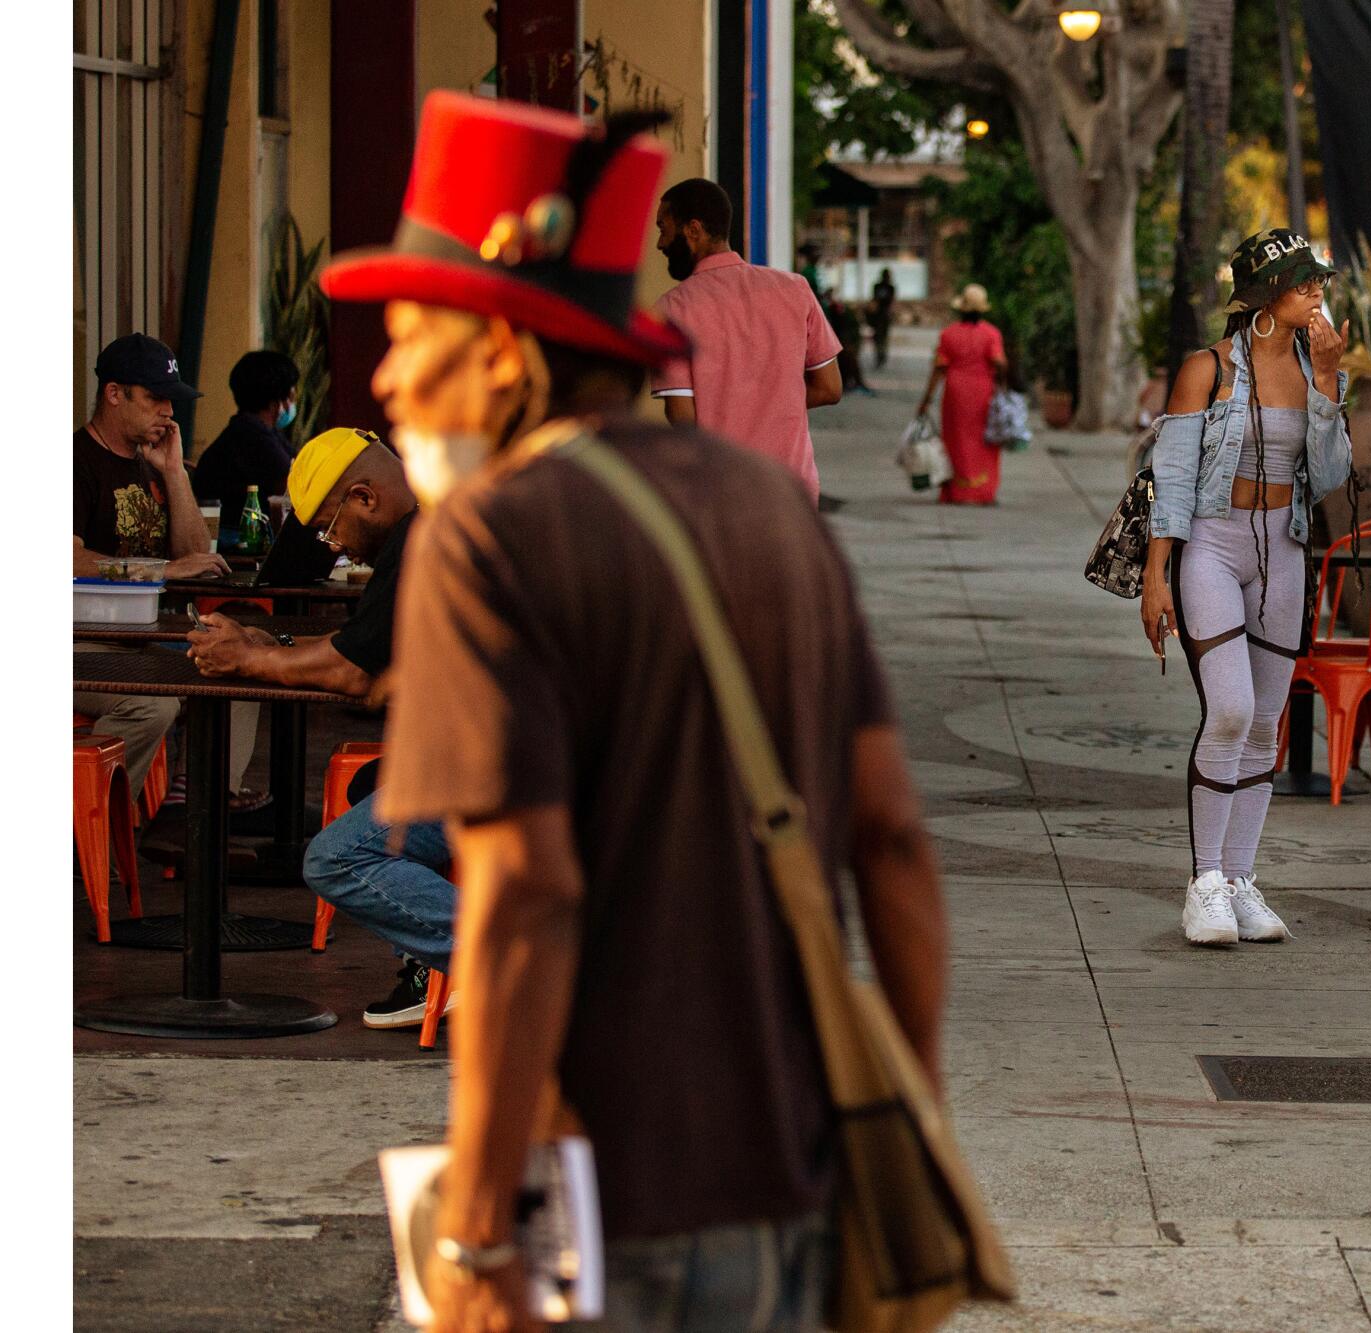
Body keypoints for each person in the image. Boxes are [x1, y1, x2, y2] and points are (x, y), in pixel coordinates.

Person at [319, 92, 949, 1329]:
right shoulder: (772, 512)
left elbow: (527, 902)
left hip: (606, 1202)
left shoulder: (489, 545)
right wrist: (902, 1141)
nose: (391, 380)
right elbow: (893, 845)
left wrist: (482, 1215)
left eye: (411, 334)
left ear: (502, 351)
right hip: (791, 1171)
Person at [186, 426, 453, 1029]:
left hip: (518, 768)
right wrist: (269, 642)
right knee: (372, 789)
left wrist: (250, 659)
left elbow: (354, 672)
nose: (338, 550)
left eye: (331, 529)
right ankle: (426, 964)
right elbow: (365, 645)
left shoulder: (423, 537)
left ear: (364, 497)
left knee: (335, 859)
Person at [1142, 229, 1353, 947]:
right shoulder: (1206, 370)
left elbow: (1326, 477)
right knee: (1229, 709)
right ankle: (1203, 882)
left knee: (1267, 720)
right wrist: (1155, 575)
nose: (1316, 291)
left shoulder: (1315, 365)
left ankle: (1238, 879)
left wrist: (1327, 382)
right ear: (1264, 297)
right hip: (1211, 541)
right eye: (1302, 282)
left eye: (1317, 280)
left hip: (1283, 549)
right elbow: (1169, 478)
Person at [73, 333, 231, 786]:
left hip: (140, 637)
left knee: (246, 658)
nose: (168, 411)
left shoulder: (151, 462)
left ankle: (189, 796)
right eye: (156, 398)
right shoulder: (75, 461)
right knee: (152, 704)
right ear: (115, 394)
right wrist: (161, 571)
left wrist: (175, 472)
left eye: (172, 400)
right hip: (79, 640)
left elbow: (197, 558)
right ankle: (90, 830)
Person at [649, 179, 844, 497]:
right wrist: (768, 406)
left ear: (694, 230)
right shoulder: (794, 289)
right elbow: (829, 388)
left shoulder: (673, 309)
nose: (660, 243)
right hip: (793, 492)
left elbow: (682, 416)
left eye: (663, 228)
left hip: (723, 492)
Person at [191, 349, 300, 541]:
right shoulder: (249, 435)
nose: (295, 398)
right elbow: (296, 485)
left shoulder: (262, 430)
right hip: (236, 543)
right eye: (292, 392)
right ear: (278, 400)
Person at [917, 284, 1008, 505]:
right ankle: (981, 491)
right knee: (983, 442)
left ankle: (957, 491)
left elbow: (938, 369)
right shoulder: (991, 333)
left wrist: (926, 400)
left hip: (956, 393)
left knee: (955, 440)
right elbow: (999, 362)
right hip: (982, 392)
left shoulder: (948, 334)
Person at [869, 267, 897, 368]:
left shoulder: (889, 287)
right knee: (879, 337)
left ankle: (881, 355)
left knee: (882, 337)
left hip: (883, 315)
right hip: (879, 315)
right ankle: (880, 355)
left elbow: (891, 302)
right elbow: (875, 301)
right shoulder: (880, 286)